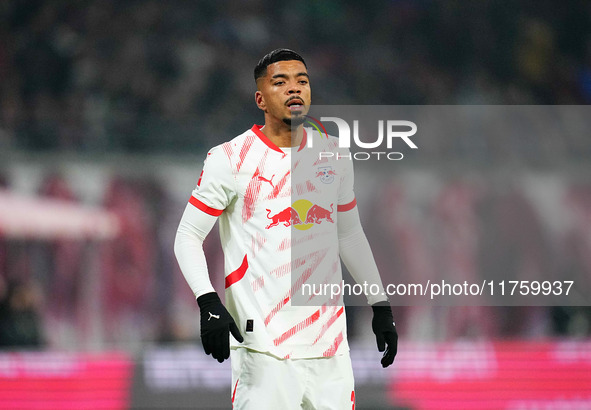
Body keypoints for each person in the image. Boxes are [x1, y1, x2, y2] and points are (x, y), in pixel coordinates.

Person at [174, 48, 397, 409]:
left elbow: (349, 234)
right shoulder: (230, 159)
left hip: (330, 351)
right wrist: (208, 302)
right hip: (264, 352)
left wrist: (380, 305)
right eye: (281, 82)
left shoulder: (334, 155)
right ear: (260, 98)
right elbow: (187, 236)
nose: (294, 88)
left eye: (302, 81)